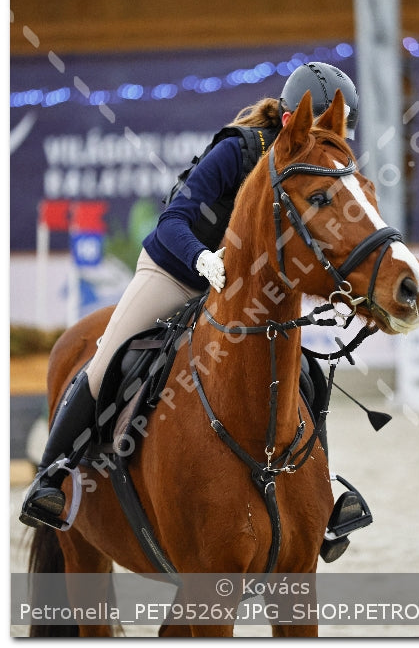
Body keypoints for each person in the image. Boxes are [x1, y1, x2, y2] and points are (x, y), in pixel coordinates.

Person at [20, 62, 359, 529]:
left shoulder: (308, 174)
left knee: (306, 371)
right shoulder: (238, 150)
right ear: (288, 121)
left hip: (237, 297)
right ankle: (50, 478)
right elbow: (173, 219)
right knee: (106, 361)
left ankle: (320, 492)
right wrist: (203, 258)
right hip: (177, 270)